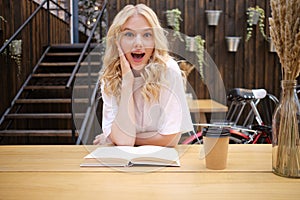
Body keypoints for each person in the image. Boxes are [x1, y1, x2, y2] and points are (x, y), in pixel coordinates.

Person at [93, 4, 193, 147]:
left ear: (155, 41)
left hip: (161, 160)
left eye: (147, 35)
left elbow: (170, 140)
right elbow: (124, 142)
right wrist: (127, 81)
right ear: (117, 41)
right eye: (129, 34)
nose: (138, 43)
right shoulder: (111, 76)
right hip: (122, 160)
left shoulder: (168, 71)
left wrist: (117, 137)